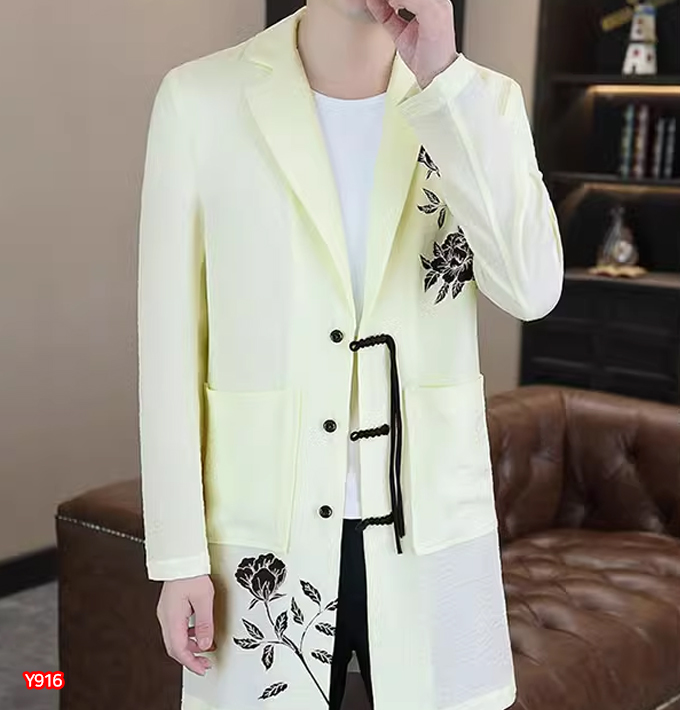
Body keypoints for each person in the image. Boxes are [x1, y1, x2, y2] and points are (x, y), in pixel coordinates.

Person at [136, 1, 564, 709]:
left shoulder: (480, 101)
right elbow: (169, 347)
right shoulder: (200, 99)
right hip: (264, 527)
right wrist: (179, 556)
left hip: (430, 519)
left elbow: (531, 290)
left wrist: (443, 79)